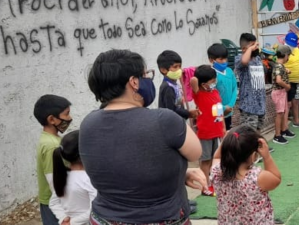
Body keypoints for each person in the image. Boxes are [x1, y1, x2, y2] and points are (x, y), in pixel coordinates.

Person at [81, 49, 207, 224]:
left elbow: (120, 169)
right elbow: (195, 153)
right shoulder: (164, 120)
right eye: (146, 74)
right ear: (134, 82)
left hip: (104, 218)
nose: (148, 79)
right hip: (162, 218)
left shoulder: (88, 123)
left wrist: (177, 174)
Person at [211, 126, 281, 225]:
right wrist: (267, 156)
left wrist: (226, 141)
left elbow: (217, 157)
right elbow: (276, 178)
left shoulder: (217, 171)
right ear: (253, 155)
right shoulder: (257, 177)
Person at [34, 95, 73, 225]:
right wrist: (64, 214)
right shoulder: (52, 146)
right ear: (51, 119)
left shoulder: (49, 139)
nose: (69, 118)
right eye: (66, 114)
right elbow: (54, 182)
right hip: (56, 206)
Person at [190, 65, 227, 197]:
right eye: (212, 81)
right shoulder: (198, 94)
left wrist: (223, 128)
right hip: (205, 133)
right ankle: (205, 186)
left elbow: (220, 111)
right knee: (205, 160)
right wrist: (194, 73)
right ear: (204, 84)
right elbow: (193, 80)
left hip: (217, 131)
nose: (214, 83)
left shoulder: (215, 93)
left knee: (213, 159)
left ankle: (211, 182)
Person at [49, 131, 97, 225]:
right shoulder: (89, 180)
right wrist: (72, 222)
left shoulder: (62, 177)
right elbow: (95, 209)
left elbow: (53, 203)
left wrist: (63, 218)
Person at [235, 33, 267, 131]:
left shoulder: (257, 59)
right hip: (248, 105)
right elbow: (244, 61)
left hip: (260, 103)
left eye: (256, 45)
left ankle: (258, 146)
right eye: (252, 45)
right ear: (244, 48)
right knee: (248, 134)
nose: (255, 47)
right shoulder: (239, 58)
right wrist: (249, 49)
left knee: (258, 131)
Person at [208, 44, 238, 131]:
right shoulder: (211, 74)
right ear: (211, 60)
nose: (224, 61)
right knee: (219, 131)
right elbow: (211, 96)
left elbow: (234, 88)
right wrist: (223, 108)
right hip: (217, 110)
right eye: (221, 59)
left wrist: (230, 105)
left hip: (229, 110)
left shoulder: (229, 71)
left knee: (227, 130)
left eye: (225, 58)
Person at [158, 50, 193, 120]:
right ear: (163, 70)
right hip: (172, 125)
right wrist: (188, 113)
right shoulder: (168, 87)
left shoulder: (174, 84)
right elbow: (172, 110)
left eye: (180, 66)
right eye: (175, 67)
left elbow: (178, 105)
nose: (179, 69)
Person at [272, 46, 296, 144]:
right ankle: (277, 135)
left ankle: (283, 130)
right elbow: (278, 80)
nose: (288, 58)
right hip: (278, 92)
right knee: (279, 114)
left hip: (281, 92)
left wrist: (286, 71)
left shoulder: (280, 66)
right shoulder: (278, 66)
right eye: (289, 55)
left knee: (283, 112)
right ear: (285, 55)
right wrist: (287, 86)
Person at [284, 32, 299, 128]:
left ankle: (296, 121)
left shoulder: (297, 50)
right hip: (286, 81)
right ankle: (285, 125)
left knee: (296, 100)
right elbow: (278, 64)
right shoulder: (282, 50)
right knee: (286, 103)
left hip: (297, 80)